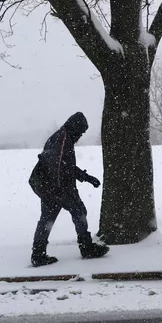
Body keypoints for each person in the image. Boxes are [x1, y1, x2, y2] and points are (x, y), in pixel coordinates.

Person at [28, 112, 109, 267]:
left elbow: (66, 166)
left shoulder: (62, 137)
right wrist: (60, 191)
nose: (81, 135)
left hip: (48, 186)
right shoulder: (62, 139)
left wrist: (86, 177)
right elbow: (58, 166)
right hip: (56, 187)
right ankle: (86, 248)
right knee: (79, 212)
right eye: (81, 131)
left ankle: (38, 254)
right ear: (74, 126)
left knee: (47, 219)